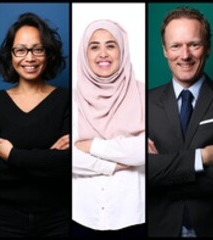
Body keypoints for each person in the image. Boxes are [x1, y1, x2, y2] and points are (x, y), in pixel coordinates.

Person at [146, 6, 213, 238]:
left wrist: (163, 173)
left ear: (207, 48)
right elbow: (141, 172)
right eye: (176, 46)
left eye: (194, 44)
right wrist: (201, 159)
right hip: (159, 228)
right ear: (164, 51)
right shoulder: (143, 103)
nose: (185, 55)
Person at [0, 12, 71, 238]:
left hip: (57, 218)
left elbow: (65, 165)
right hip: (5, 218)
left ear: (48, 54)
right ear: (11, 55)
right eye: (21, 50)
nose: (30, 58)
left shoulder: (67, 99)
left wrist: (11, 155)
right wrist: (45, 159)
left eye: (38, 49)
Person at [70, 19, 146, 237]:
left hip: (132, 215)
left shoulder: (143, 94)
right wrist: (117, 164)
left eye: (111, 45)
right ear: (85, 54)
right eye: (94, 46)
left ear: (122, 51)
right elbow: (67, 158)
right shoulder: (71, 99)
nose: (103, 53)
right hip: (83, 216)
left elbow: (146, 150)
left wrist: (91, 145)